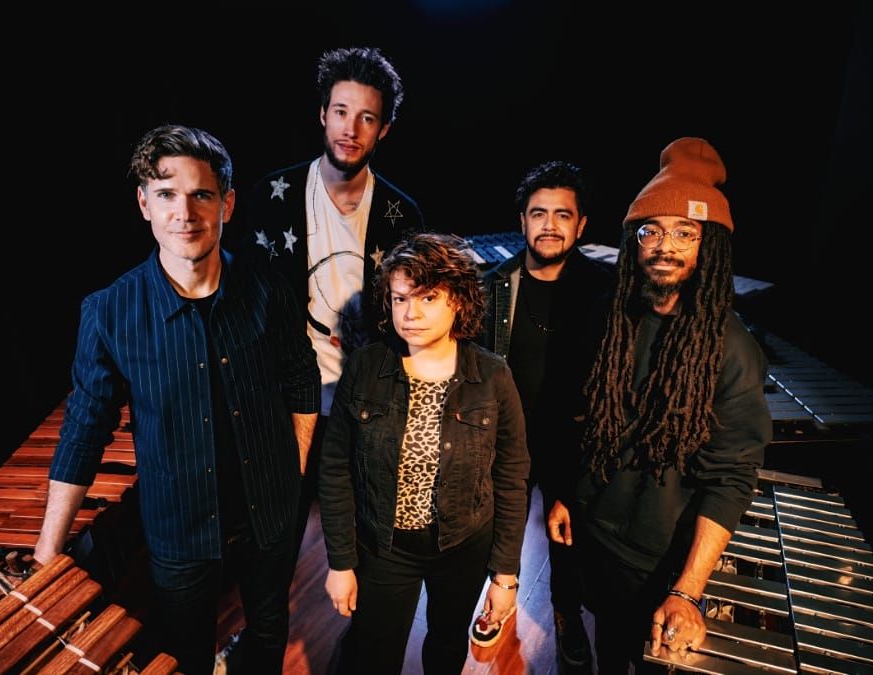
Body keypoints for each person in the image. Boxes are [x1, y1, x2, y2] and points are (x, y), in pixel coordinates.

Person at [34, 125, 320, 675]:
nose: (184, 212)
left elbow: (302, 380)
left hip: (270, 517)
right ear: (144, 203)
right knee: (184, 657)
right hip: (178, 530)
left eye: (201, 194)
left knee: (267, 635)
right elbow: (84, 431)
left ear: (228, 204)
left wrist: (293, 475)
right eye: (166, 194)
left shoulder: (268, 287)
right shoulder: (109, 311)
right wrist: (49, 550)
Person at [547, 138, 771, 673]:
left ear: (708, 246)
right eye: (651, 230)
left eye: (684, 233)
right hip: (596, 535)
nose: (664, 245)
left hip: (663, 562)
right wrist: (566, 496)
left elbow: (732, 477)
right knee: (608, 656)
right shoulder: (611, 315)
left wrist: (689, 591)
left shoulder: (731, 349)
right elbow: (587, 420)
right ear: (632, 241)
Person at [319, 233, 529, 674]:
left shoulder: (492, 376)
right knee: (373, 654)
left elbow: (511, 477)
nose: (410, 314)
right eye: (399, 299)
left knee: (447, 647)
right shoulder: (365, 367)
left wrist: (505, 576)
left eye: (427, 298)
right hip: (384, 547)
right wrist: (340, 562)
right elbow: (335, 468)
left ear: (458, 301)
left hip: (463, 545)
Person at [246, 48, 425, 544]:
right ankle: (269, 624)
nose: (351, 128)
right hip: (287, 392)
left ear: (383, 128)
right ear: (323, 114)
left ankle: (365, 621)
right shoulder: (272, 195)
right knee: (277, 528)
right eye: (341, 112)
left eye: (367, 117)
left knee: (366, 526)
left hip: (364, 397)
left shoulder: (401, 214)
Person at [475, 161, 611, 667]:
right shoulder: (493, 286)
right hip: (506, 436)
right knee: (489, 527)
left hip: (572, 438)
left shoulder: (606, 290)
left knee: (567, 540)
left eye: (562, 214)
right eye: (539, 213)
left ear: (581, 225)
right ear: (522, 221)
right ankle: (494, 600)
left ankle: (565, 616)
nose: (549, 225)